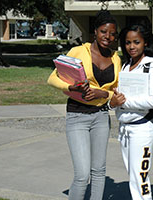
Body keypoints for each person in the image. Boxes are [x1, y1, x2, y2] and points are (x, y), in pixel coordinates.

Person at [47, 10, 121, 200]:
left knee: (98, 171)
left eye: (112, 33)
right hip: (77, 116)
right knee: (82, 174)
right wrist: (71, 86)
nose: (108, 37)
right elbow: (53, 78)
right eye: (104, 31)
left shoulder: (116, 58)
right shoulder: (78, 51)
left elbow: (117, 91)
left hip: (101, 117)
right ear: (95, 31)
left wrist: (103, 93)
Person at [109, 23, 153, 200]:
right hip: (125, 128)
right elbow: (122, 97)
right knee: (133, 176)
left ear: (145, 43)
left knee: (140, 177)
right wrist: (115, 100)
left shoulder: (151, 64)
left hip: (142, 128)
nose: (131, 47)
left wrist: (125, 103)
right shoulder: (126, 66)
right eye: (127, 42)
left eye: (136, 42)